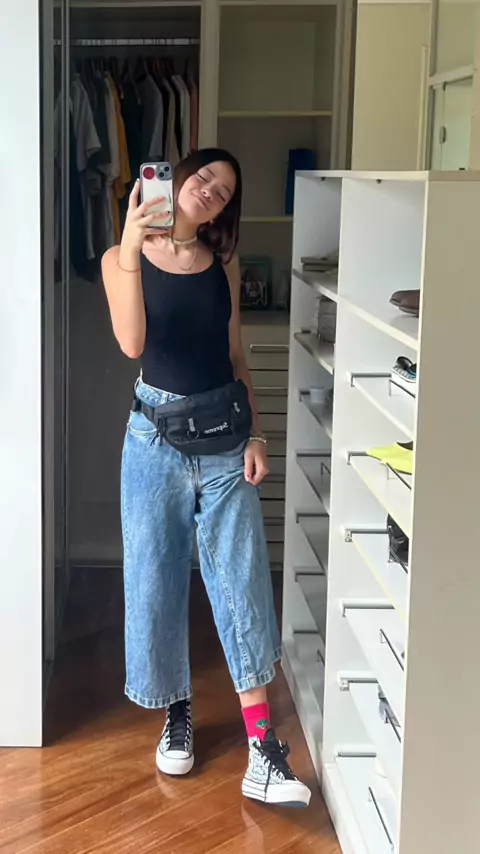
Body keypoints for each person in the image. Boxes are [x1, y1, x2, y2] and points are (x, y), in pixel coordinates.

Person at [102, 148, 311, 808]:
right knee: (157, 577)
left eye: (223, 191)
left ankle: (263, 748)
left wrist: (257, 432)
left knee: (241, 579)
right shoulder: (119, 259)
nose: (210, 191)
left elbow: (235, 354)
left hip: (224, 434)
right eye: (204, 177)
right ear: (179, 176)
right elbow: (133, 344)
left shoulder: (224, 263)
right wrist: (131, 242)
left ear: (225, 211)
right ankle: (178, 709)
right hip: (153, 440)